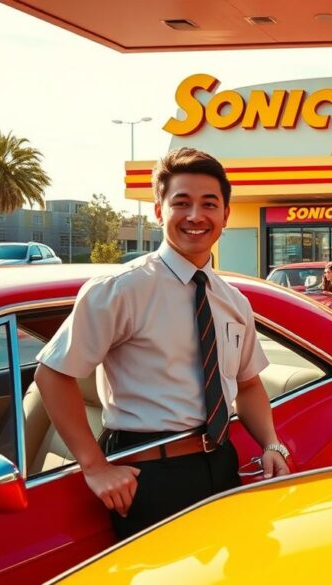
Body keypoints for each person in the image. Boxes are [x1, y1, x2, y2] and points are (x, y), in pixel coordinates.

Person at [33, 147, 291, 540]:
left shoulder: (233, 301)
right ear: (158, 211)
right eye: (181, 203)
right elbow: (53, 374)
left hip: (222, 467)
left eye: (209, 204)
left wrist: (271, 444)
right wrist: (95, 466)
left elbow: (248, 383)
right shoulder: (121, 289)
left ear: (225, 214)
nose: (195, 216)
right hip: (150, 478)